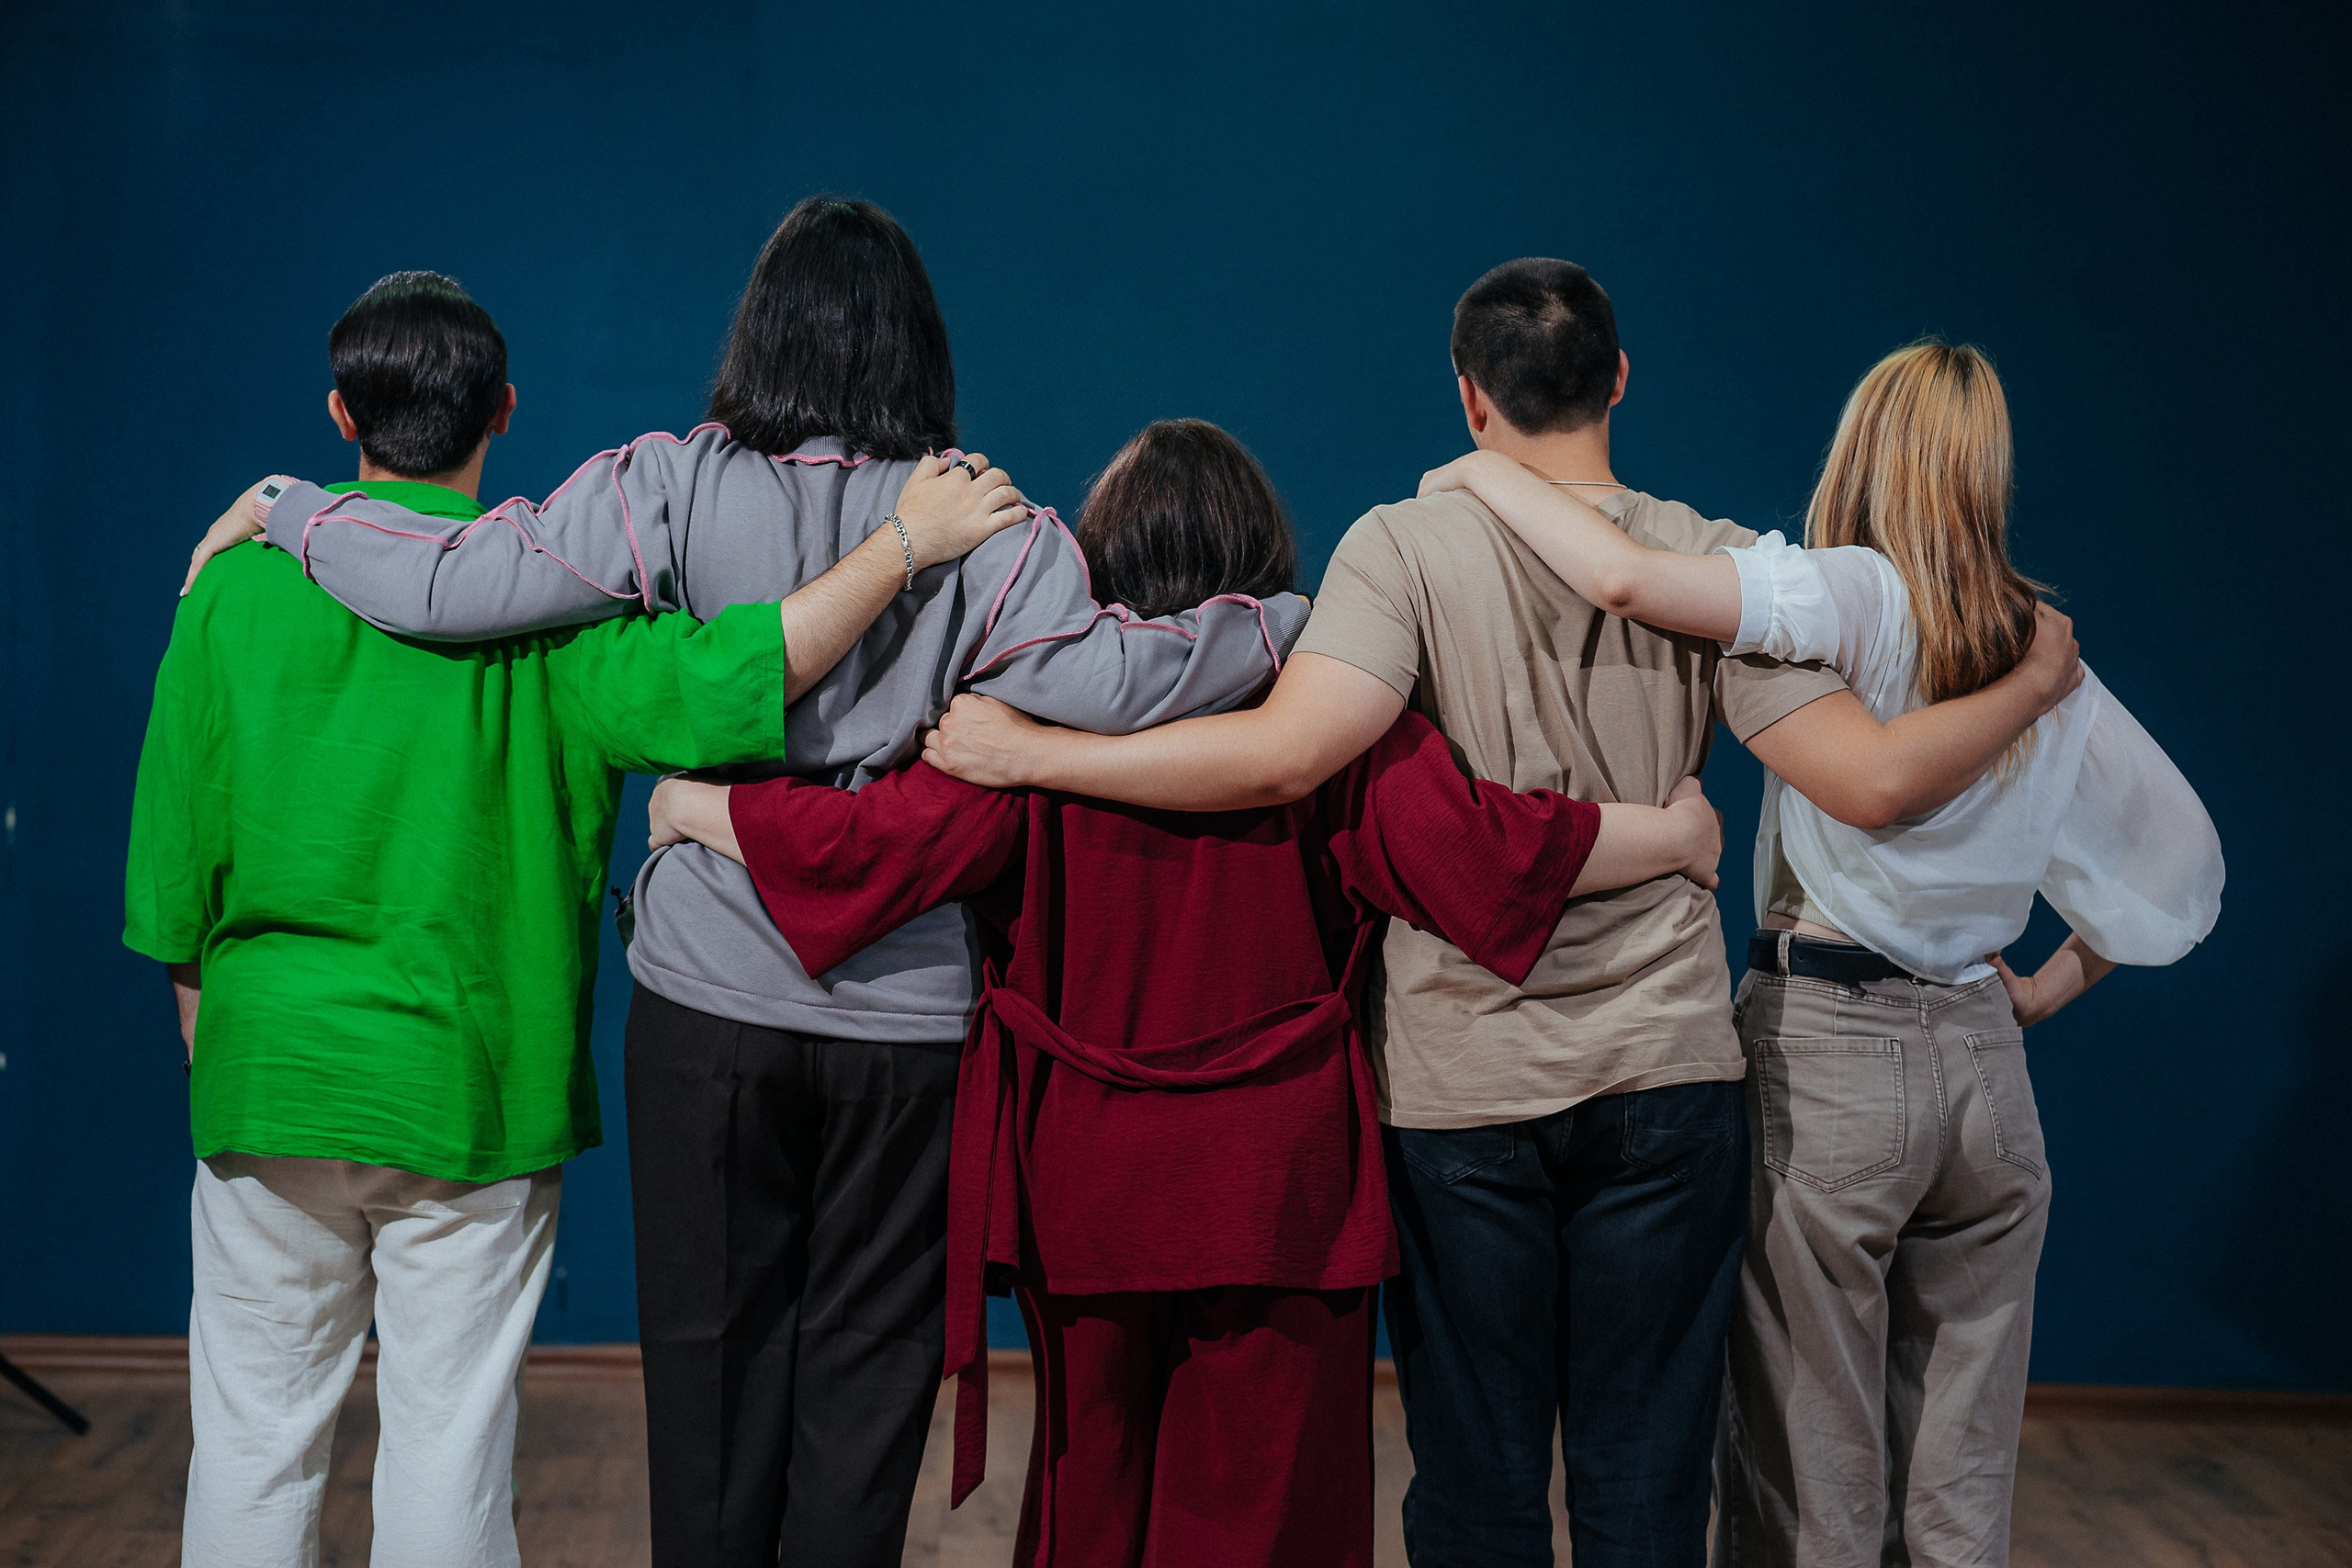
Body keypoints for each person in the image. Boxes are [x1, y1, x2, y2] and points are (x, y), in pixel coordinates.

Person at [183, 199, 1308, 1567]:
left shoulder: (665, 481)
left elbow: (454, 581)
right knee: (868, 1376)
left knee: (713, 1386)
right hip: (904, 1028)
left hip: (708, 1015)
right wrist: (1317, 616)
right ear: (918, 345)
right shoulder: (993, 525)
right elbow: (1130, 679)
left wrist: (289, 508)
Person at [913, 261, 2086, 1568]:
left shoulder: (1398, 546)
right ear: (1621, 378)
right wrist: (2032, 684)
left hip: (1463, 1084)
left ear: (1469, 395)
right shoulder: (1719, 560)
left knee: (1477, 1492)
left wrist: (1034, 753)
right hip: (1667, 1073)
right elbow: (1866, 775)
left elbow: (1286, 758)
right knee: (1647, 1489)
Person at [636, 418, 1730, 1568]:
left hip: (1085, 1187)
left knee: (1092, 1512)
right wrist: (1667, 833)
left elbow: (870, 846)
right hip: (1278, 1193)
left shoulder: (1026, 726)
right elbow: (1481, 853)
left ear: (1098, 557)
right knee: (1264, 1526)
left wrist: (688, 807)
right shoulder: (1322, 724)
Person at [125, 271, 1023, 1568]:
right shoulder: (559, 622)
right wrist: (900, 547)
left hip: (267, 1074)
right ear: (503, 409)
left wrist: (223, 1050)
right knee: (450, 1445)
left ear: (339, 417)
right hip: (474, 1097)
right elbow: (749, 668)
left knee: (254, 1447)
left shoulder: (227, 595)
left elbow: (171, 874)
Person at [1420, 340, 2223, 1568]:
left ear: (1863, 450)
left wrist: (1480, 470)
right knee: (1963, 1492)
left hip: (1835, 1054)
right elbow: (2180, 865)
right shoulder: (2043, 650)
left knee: (1813, 1478)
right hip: (1988, 1076)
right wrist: (2049, 987)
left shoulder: (1849, 592)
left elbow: (1627, 576)